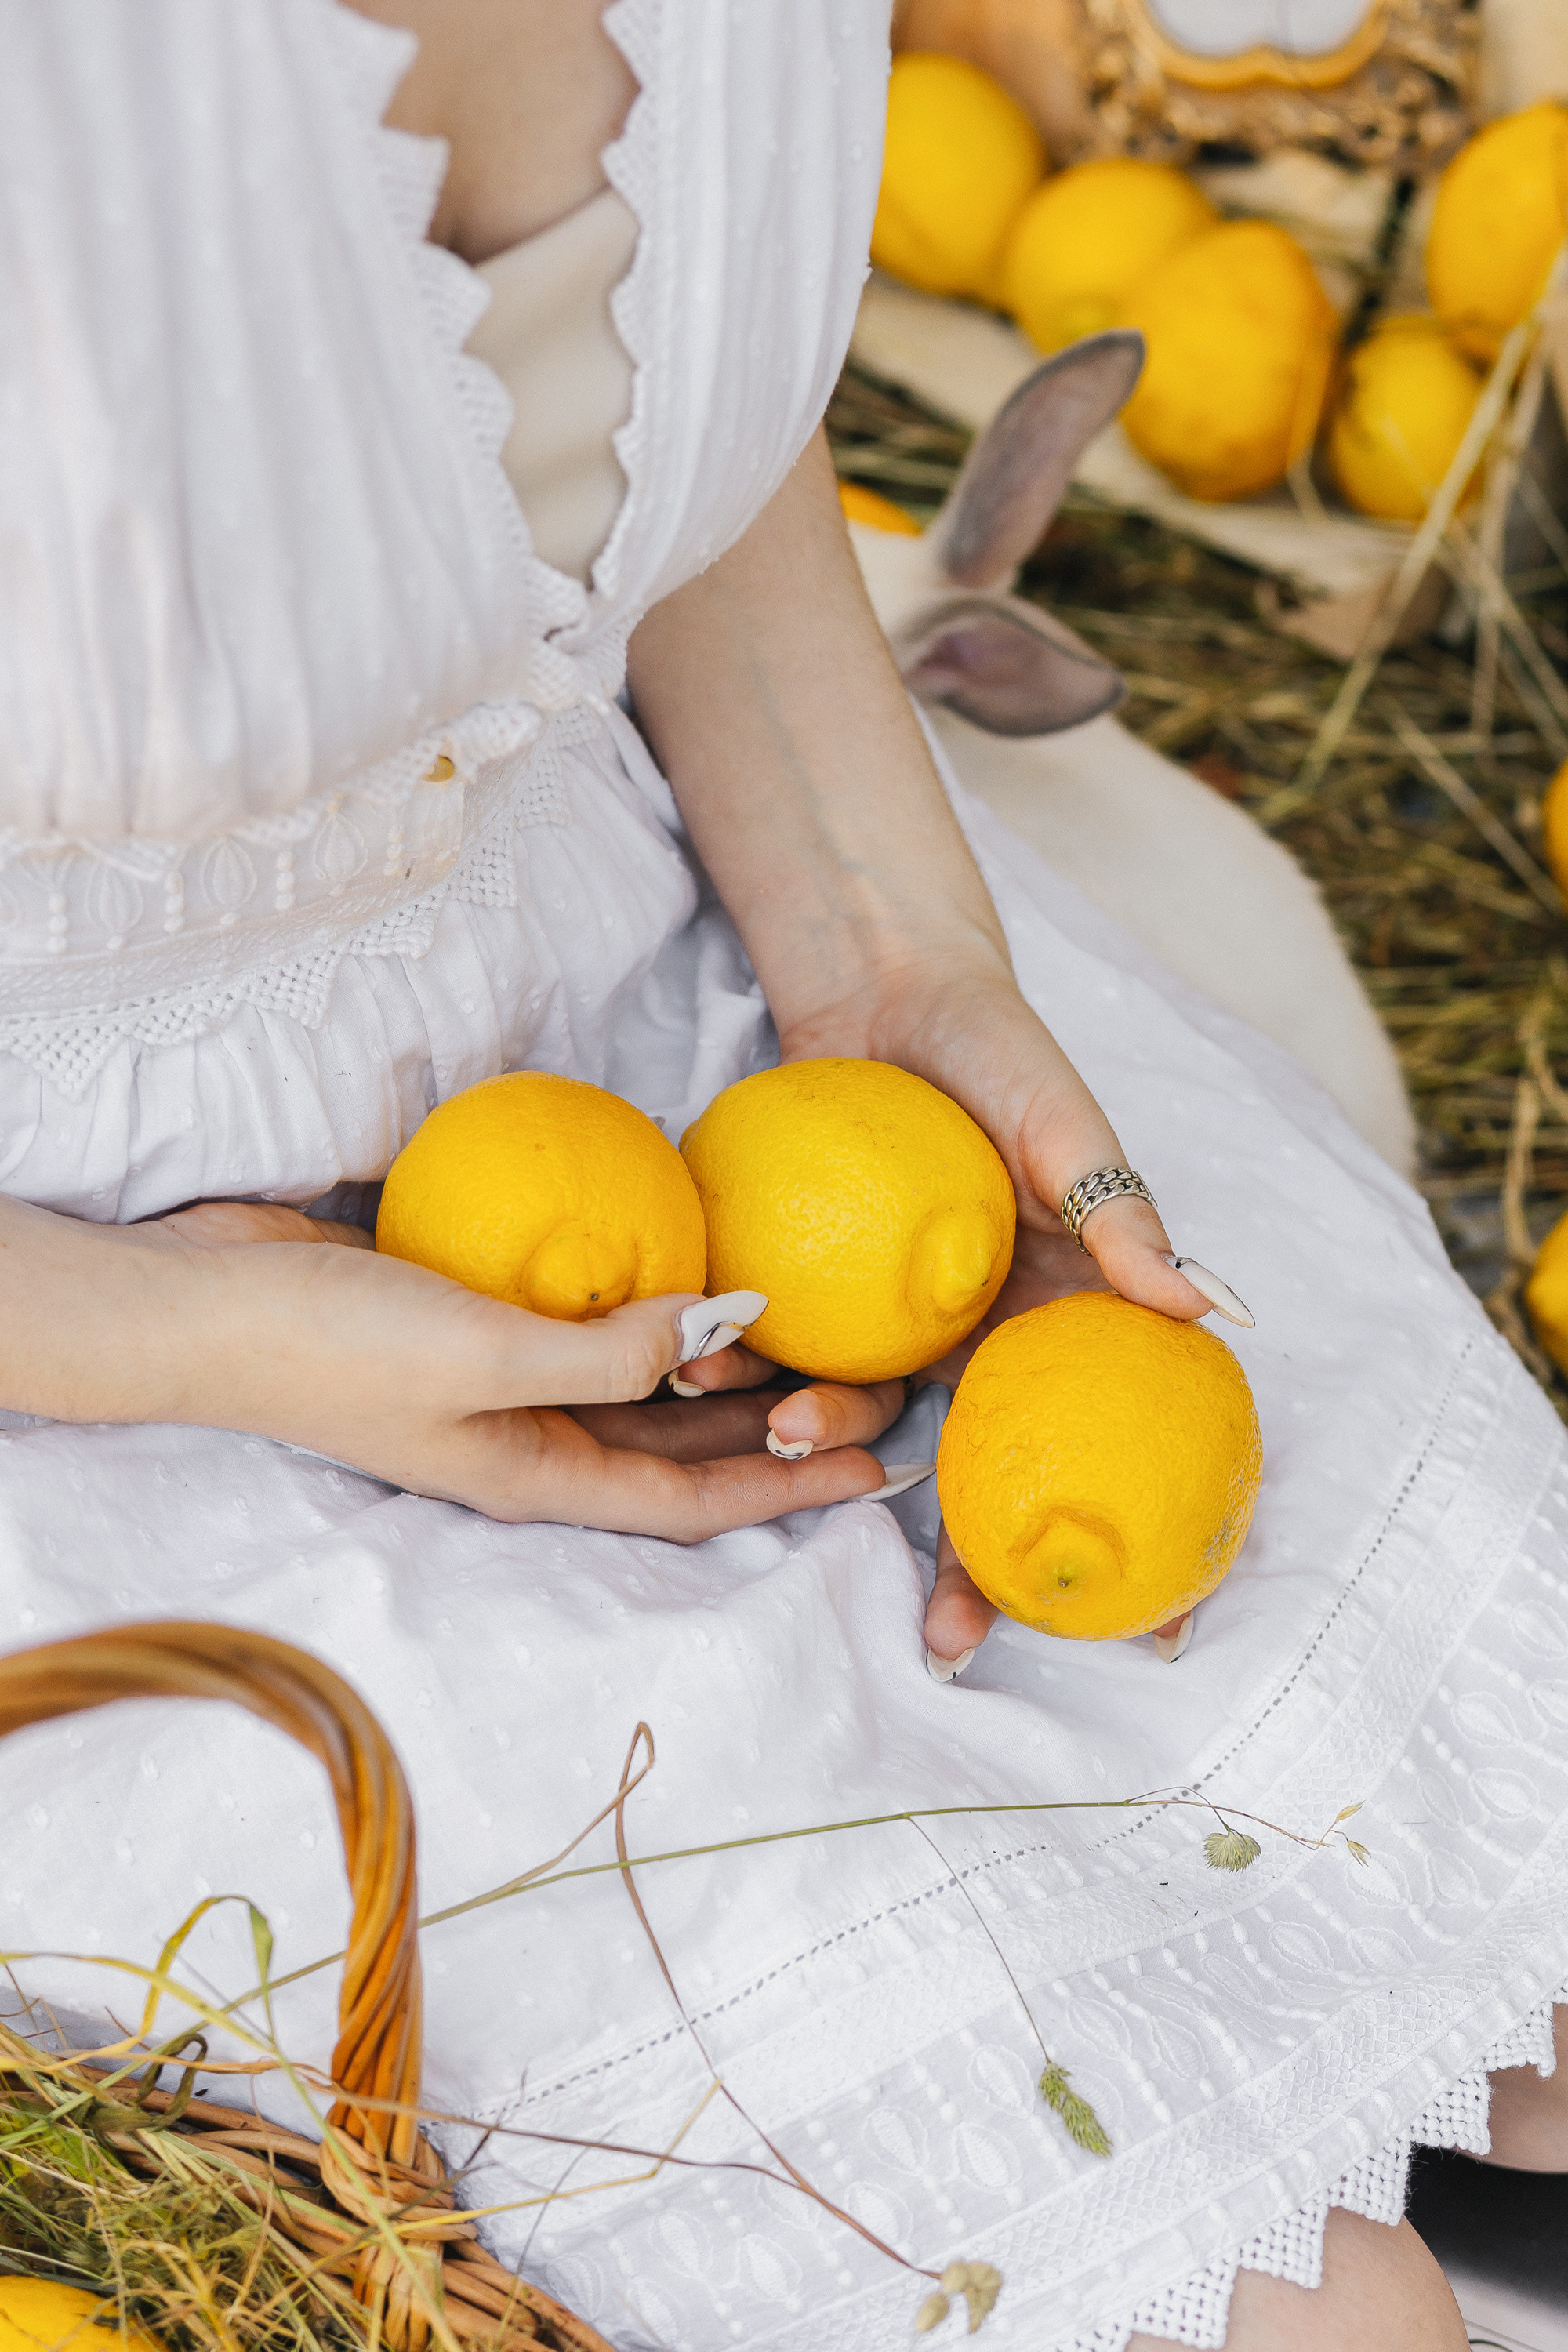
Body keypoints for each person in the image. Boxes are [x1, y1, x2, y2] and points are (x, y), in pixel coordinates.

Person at [1, 6, 1564, 2349]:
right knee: (1328, 2323)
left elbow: (658, 441)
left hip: (674, 987)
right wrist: (211, 1330)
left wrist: (890, 960)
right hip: (105, 1327)